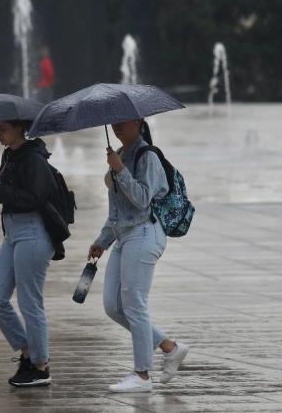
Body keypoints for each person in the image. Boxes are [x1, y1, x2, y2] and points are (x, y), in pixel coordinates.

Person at [87, 120, 189, 393]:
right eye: (114, 122)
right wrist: (102, 241)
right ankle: (171, 348)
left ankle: (142, 376)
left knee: (134, 304)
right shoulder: (119, 155)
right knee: (113, 305)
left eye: (123, 121)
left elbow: (142, 199)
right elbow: (116, 210)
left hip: (146, 233)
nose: (117, 126)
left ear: (139, 123)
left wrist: (119, 170)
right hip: (124, 235)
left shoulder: (148, 156)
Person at [0, 120, 56, 387]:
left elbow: (31, 199)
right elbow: (4, 194)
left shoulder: (33, 159)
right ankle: (28, 351)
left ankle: (40, 366)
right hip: (13, 233)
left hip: (32, 232)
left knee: (30, 303)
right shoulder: (10, 154)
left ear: (20, 128)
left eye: (3, 129)